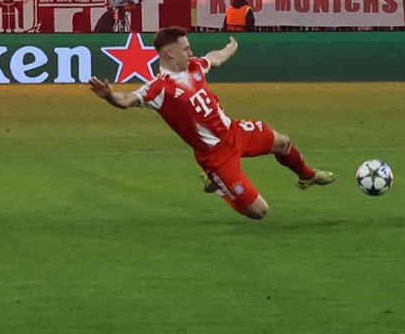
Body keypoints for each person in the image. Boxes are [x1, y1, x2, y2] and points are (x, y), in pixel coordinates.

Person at [88, 27, 333, 220]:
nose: (190, 52)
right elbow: (126, 99)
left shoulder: (195, 67)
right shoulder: (159, 88)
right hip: (216, 156)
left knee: (283, 142)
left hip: (234, 131)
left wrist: (229, 49)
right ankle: (217, 185)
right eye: (185, 49)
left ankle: (307, 176)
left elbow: (213, 59)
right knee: (259, 212)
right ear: (169, 53)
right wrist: (110, 95)